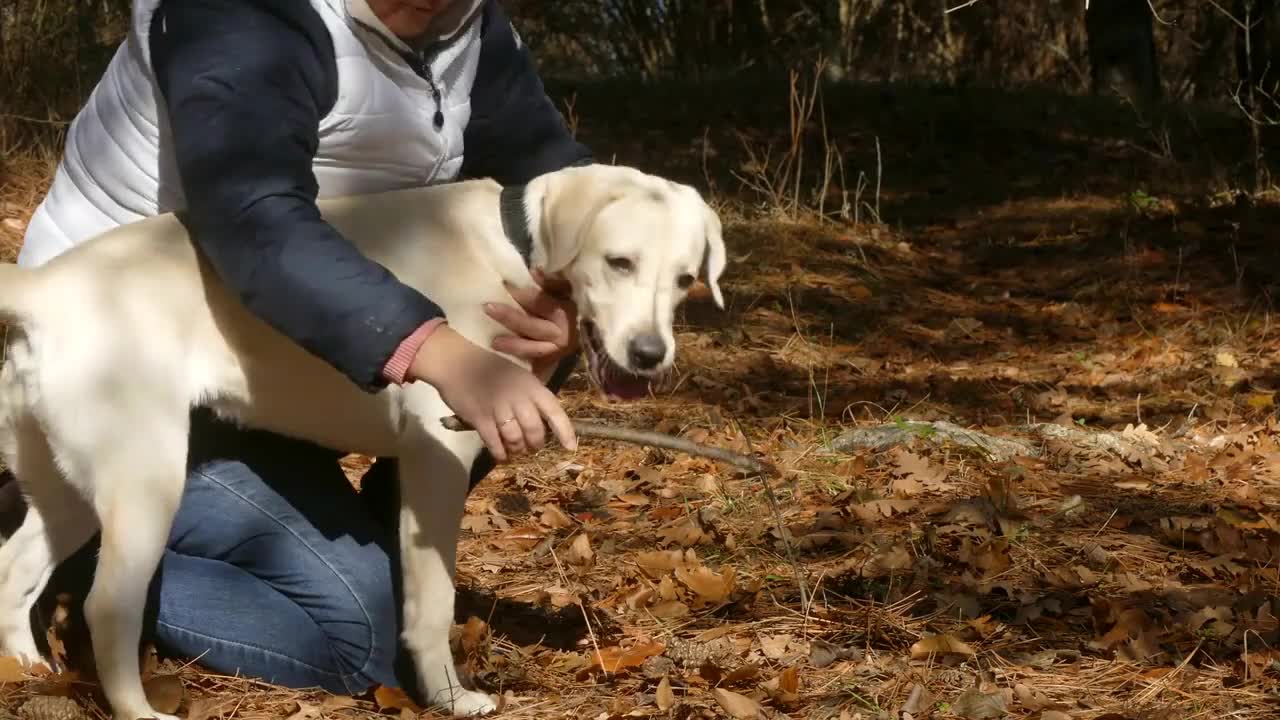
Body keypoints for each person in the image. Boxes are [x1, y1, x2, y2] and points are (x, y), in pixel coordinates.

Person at [4, 0, 591, 700]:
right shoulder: (235, 16)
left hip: (278, 364)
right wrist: (438, 348)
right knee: (362, 636)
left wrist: (571, 304)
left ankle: (348, 542)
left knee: (500, 372)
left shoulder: (474, 33)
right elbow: (254, 220)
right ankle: (78, 549)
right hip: (121, 361)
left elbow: (559, 185)